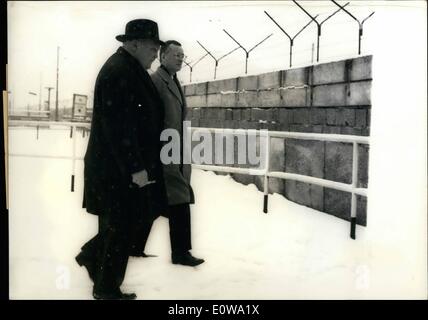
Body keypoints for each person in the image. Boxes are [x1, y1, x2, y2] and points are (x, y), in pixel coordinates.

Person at [75, 19, 168, 300]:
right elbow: (118, 127)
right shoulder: (120, 71)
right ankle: (106, 288)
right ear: (134, 43)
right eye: (153, 47)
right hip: (117, 170)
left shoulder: (129, 67)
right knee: (121, 228)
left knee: (124, 225)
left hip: (119, 168)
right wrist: (136, 168)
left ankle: (94, 262)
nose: (156, 53)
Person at [131, 40, 204, 267]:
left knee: (155, 201)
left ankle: (134, 245)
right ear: (162, 57)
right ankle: (181, 253)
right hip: (164, 152)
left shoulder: (171, 80)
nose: (181, 59)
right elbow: (148, 120)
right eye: (176, 55)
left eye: (183, 55)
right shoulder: (156, 81)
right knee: (179, 198)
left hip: (173, 150)